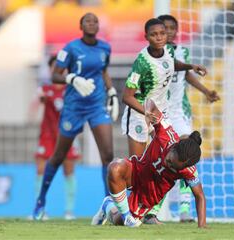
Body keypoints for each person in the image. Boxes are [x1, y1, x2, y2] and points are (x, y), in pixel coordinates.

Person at [33, 12, 119, 220]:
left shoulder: (104, 47)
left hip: (96, 105)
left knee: (107, 155)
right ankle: (40, 202)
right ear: (81, 26)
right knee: (58, 156)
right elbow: (55, 74)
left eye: (95, 21)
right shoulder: (71, 48)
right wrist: (72, 78)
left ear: (98, 26)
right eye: (87, 21)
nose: (92, 23)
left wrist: (112, 92)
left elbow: (104, 71)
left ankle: (107, 206)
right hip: (73, 107)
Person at [144, 14, 220, 223]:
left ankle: (185, 209)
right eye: (164, 28)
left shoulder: (182, 51)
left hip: (179, 111)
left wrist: (205, 91)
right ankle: (155, 208)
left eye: (171, 28)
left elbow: (186, 74)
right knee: (165, 158)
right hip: (161, 111)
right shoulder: (152, 56)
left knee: (186, 151)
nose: (168, 32)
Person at [92, 99, 207, 228]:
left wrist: (202, 226)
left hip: (148, 194)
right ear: (174, 147)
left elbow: (199, 196)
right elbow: (150, 103)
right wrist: (147, 111)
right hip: (136, 170)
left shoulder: (189, 171)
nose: (168, 164)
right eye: (169, 160)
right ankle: (127, 217)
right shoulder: (166, 134)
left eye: (173, 167)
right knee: (115, 167)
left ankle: (108, 206)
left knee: (117, 221)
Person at [121, 18, 207, 158]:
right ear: (147, 37)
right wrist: (146, 112)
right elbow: (126, 96)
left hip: (160, 112)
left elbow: (171, 63)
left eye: (162, 33)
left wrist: (190, 66)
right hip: (140, 114)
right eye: (154, 34)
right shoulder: (142, 63)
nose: (159, 37)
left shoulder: (168, 49)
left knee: (170, 153)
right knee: (137, 164)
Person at [33, 56, 81, 220]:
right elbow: (38, 101)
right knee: (40, 170)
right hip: (47, 135)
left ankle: (69, 211)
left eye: (61, 67)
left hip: (67, 135)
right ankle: (40, 209)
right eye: (55, 67)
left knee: (69, 171)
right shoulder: (45, 89)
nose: (59, 70)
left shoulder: (72, 90)